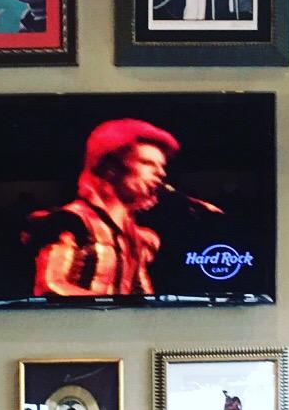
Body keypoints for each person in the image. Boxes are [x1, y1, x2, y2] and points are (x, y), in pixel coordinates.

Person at [21, 118, 180, 296]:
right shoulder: (71, 221)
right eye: (147, 163)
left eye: (161, 166)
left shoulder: (139, 238)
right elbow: (50, 286)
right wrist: (115, 307)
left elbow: (142, 294)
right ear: (111, 168)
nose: (161, 173)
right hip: (77, 315)